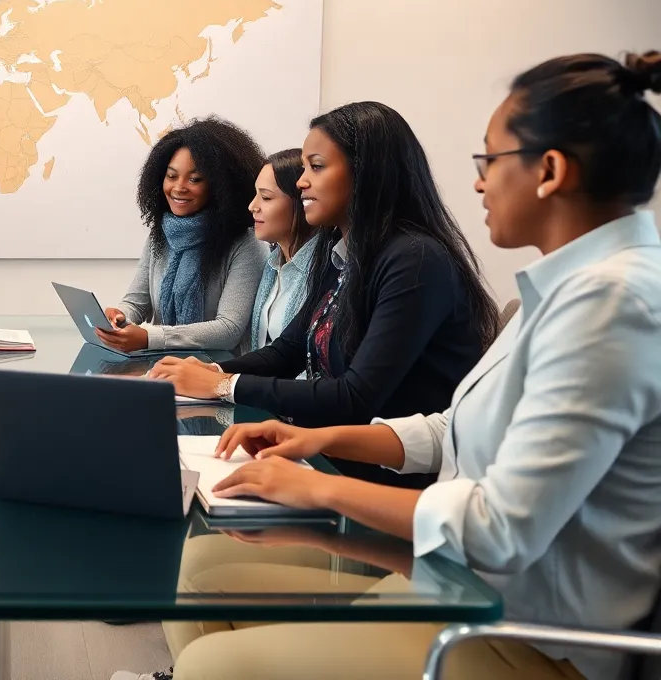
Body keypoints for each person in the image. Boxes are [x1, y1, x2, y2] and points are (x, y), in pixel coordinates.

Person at [173, 50, 661, 680]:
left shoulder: (613, 303)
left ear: (549, 170)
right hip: (462, 585)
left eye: (489, 160)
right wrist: (319, 439)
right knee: (203, 573)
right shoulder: (576, 288)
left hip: (525, 634)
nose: (480, 182)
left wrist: (318, 485)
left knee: (213, 667)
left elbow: (500, 527)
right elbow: (447, 428)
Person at [150, 102, 498, 486]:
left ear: (366, 173)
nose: (300, 182)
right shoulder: (341, 252)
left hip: (392, 484)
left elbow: (354, 398)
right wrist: (210, 372)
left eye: (315, 166)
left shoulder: (414, 260)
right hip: (336, 460)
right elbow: (288, 350)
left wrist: (222, 386)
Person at [100, 117, 268, 354]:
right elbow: (136, 303)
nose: (179, 187)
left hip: (219, 373)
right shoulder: (161, 234)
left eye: (195, 179)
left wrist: (150, 337)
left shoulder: (246, 242)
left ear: (221, 185)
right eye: (171, 176)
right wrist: (119, 316)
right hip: (164, 367)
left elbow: (229, 330)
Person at [246, 148, 317, 351]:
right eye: (255, 195)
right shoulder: (274, 263)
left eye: (266, 198)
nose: (252, 206)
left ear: (301, 202)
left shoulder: (323, 270)